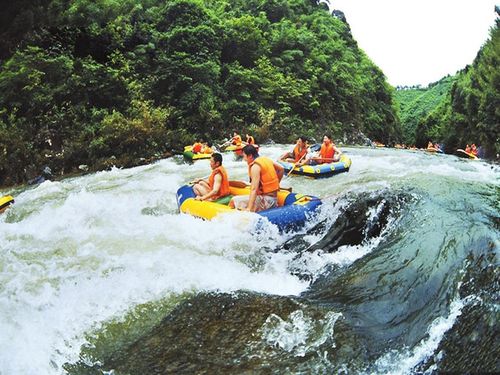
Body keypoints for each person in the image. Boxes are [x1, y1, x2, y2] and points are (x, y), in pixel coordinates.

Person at [229, 145, 284, 212]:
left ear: (250, 156)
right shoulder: (266, 159)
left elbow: (254, 189)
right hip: (273, 199)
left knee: (233, 200)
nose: (244, 159)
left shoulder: (255, 166)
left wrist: (249, 208)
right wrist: (277, 183)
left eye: (244, 156)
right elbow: (281, 169)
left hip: (266, 201)